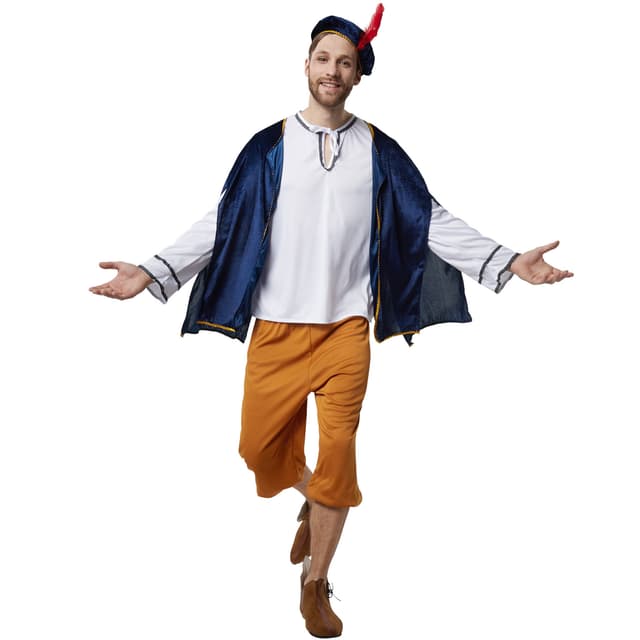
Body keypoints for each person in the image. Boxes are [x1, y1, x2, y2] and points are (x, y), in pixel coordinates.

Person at [90, 5, 573, 637]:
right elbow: (223, 223)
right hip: (277, 329)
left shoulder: (379, 150)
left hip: (346, 330)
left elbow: (429, 220)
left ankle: (315, 580)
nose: (332, 70)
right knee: (257, 450)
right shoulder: (268, 147)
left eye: (345, 62)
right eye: (323, 58)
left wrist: (509, 262)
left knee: (339, 456)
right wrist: (152, 271)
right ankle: (316, 501)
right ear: (306, 65)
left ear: (357, 74)